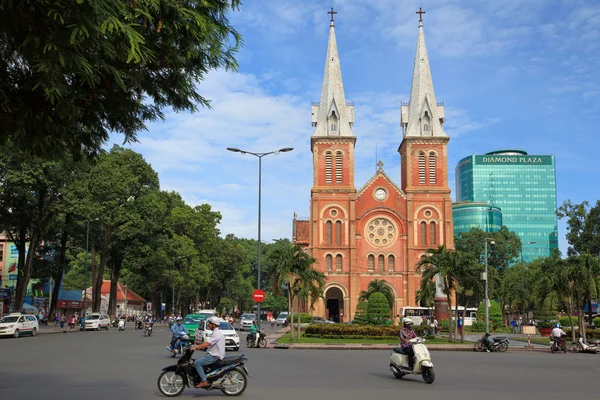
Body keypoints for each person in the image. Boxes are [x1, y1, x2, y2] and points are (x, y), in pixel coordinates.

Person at [189, 317, 225, 388]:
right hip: (213, 354)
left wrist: (196, 347)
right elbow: (208, 344)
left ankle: (204, 381)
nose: (208, 325)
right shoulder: (215, 332)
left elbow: (207, 343)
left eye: (209, 323)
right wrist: (198, 345)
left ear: (214, 325)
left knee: (197, 363)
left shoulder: (216, 334)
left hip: (214, 356)